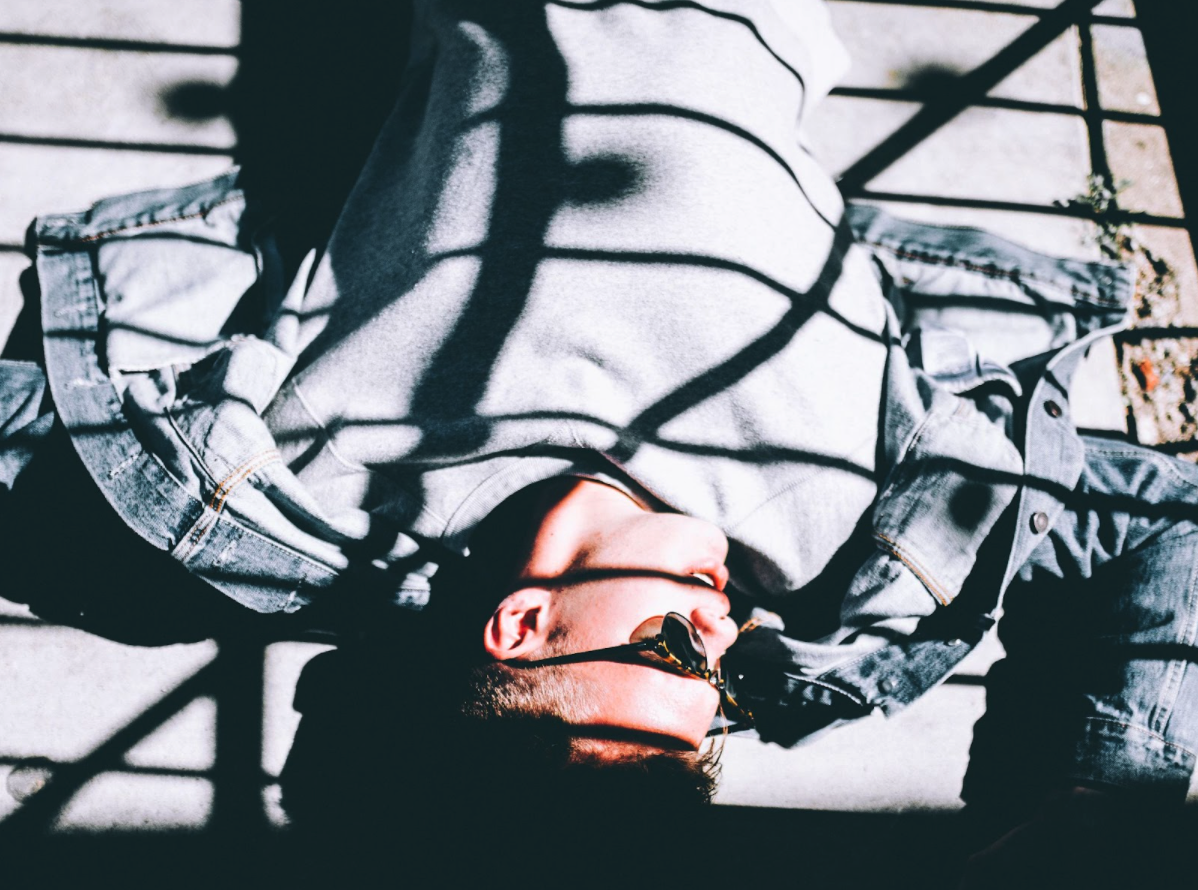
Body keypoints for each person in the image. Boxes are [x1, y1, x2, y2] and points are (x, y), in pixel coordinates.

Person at [2, 0, 1195, 875]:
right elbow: (1159, 536)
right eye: (717, 678)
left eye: (676, 647)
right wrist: (1089, 808)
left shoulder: (305, 471)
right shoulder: (843, 544)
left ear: (518, 626)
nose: (726, 629)